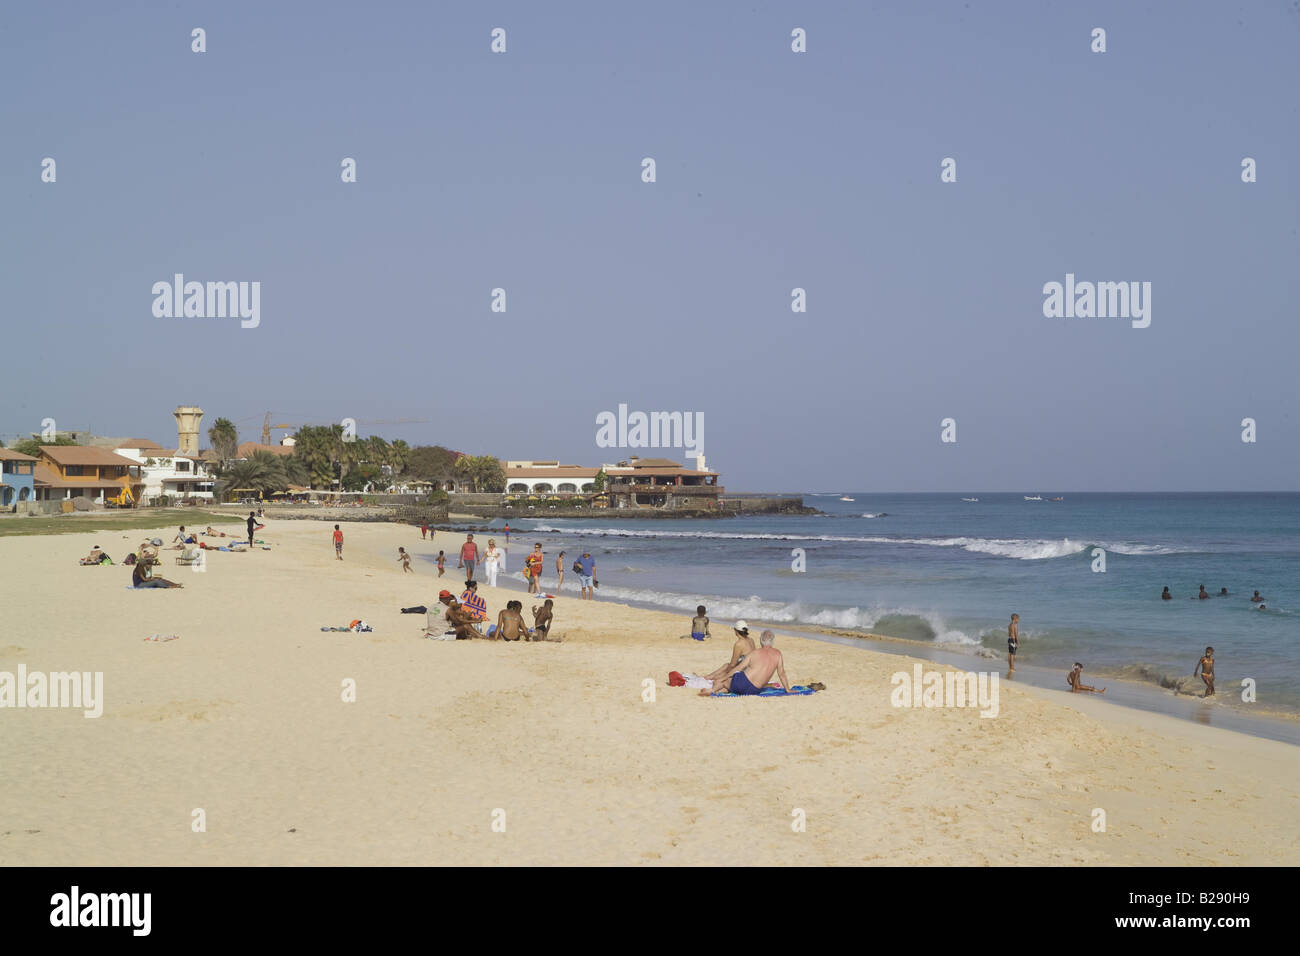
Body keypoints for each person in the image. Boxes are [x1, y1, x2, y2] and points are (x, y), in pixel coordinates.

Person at [703, 630, 792, 697]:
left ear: (761, 641)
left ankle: (712, 690)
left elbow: (739, 668)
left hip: (742, 684)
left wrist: (724, 678)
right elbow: (781, 673)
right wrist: (787, 689)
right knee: (727, 684)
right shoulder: (778, 654)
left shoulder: (754, 653)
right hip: (755, 690)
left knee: (721, 680)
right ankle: (721, 690)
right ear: (772, 641)